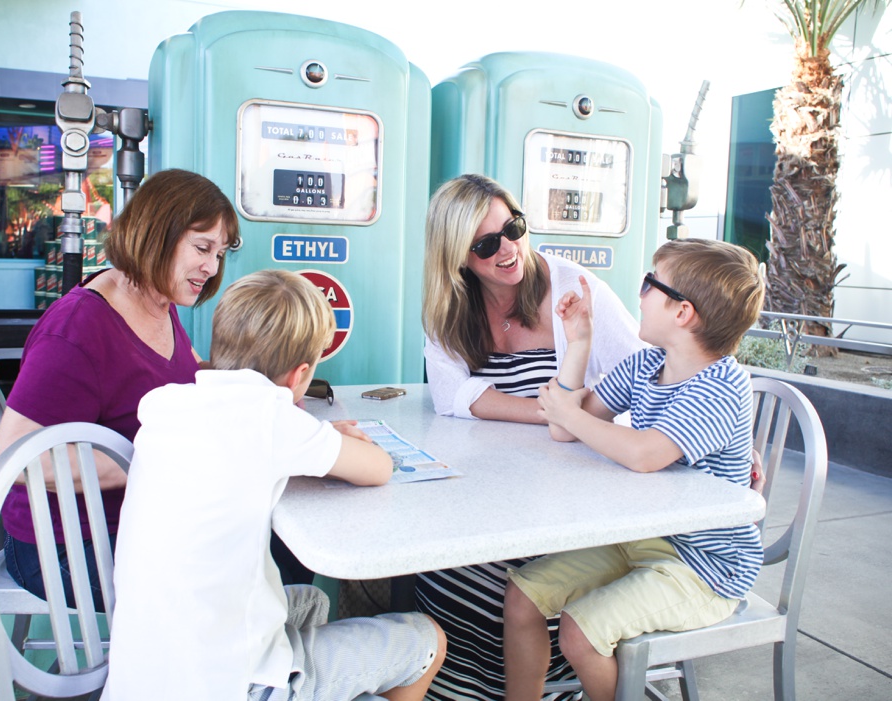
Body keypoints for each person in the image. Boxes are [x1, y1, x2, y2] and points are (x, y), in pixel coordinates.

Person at [102, 269, 447, 700]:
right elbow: (378, 468)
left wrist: (316, 439)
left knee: (312, 602)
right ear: (299, 375)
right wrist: (330, 440)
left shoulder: (166, 403)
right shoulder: (271, 417)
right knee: (427, 640)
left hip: (140, 679)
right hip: (228, 686)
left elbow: (241, 448)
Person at [503, 238, 766, 701]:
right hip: (641, 536)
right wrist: (579, 342)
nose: (639, 294)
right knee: (522, 598)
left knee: (580, 633)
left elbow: (645, 454)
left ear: (682, 312)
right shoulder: (647, 364)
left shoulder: (724, 385)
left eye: (650, 283)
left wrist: (569, 416)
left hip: (706, 567)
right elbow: (564, 429)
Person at [418, 173, 645, 699]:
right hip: (493, 483)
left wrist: (571, 420)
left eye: (513, 228)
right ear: (456, 256)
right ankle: (462, 688)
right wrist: (555, 413)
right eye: (484, 244)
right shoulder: (449, 304)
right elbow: (452, 394)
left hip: (571, 493)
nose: (508, 249)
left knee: (512, 574)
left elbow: (646, 372)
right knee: (445, 562)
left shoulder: (573, 287)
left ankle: (547, 688)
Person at [0, 168, 240, 607]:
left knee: (261, 541)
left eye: (219, 254)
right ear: (156, 234)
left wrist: (269, 398)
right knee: (230, 585)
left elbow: (186, 374)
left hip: (137, 523)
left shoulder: (157, 300)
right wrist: (149, 462)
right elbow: (18, 456)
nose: (212, 267)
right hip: (64, 546)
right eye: (203, 248)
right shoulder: (78, 328)